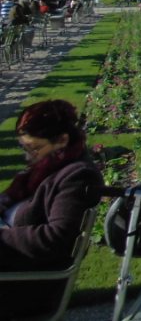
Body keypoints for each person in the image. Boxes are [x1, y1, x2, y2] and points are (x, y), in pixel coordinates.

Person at [0, 100, 103, 319]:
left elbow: (57, 238)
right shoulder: (43, 170)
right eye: (25, 148)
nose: (28, 157)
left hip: (25, 286)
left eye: (34, 148)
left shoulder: (77, 176)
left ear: (62, 140)